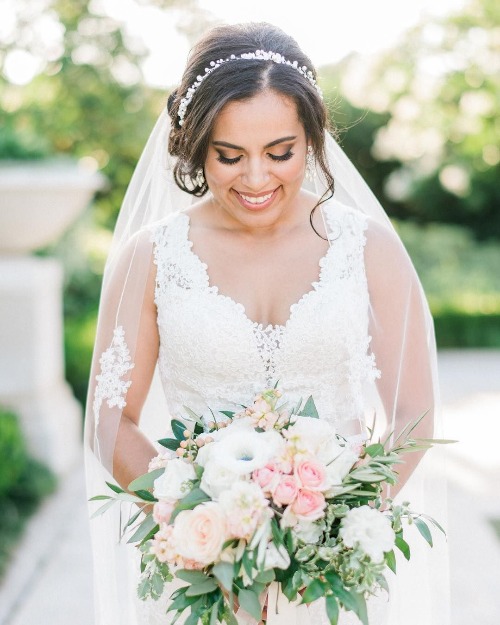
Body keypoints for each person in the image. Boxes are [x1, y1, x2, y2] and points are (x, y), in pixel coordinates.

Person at [84, 21, 449, 625]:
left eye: (280, 152)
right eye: (230, 156)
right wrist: (202, 525)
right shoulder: (152, 257)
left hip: (332, 581)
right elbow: (108, 417)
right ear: (197, 146)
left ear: (312, 139)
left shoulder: (367, 248)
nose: (256, 178)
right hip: (204, 580)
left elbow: (415, 411)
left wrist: (328, 535)